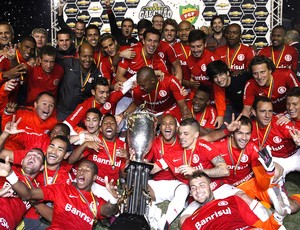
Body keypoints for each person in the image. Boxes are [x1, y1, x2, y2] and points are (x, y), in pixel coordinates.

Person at [0, 158, 120, 230]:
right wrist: (10, 174)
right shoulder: (61, 189)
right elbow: (28, 194)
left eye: (87, 170)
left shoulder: (96, 201)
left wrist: (114, 199)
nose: (82, 172)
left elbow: (108, 211)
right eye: (80, 169)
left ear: (94, 177)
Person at [181, 171, 285, 229]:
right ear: (191, 193)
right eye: (193, 188)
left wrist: (277, 218)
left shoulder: (234, 201)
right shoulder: (190, 222)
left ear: (211, 186)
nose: (198, 190)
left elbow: (262, 226)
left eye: (202, 185)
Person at [68, 113, 128, 201]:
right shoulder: (95, 140)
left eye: (112, 123)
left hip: (109, 189)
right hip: (90, 184)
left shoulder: (123, 146)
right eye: (105, 123)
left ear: (117, 128)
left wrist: (127, 158)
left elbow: (124, 176)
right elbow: (70, 160)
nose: (108, 125)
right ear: (100, 128)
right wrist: (85, 145)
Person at [121, 66, 192, 123]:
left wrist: (187, 122)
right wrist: (122, 115)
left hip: (170, 111)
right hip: (151, 114)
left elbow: (183, 107)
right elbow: (136, 104)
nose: (141, 88)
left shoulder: (169, 82)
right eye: (139, 85)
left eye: (143, 85)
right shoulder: (137, 90)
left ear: (152, 81)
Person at [251, 96, 300, 177]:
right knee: (273, 173)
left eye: (270, 111)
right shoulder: (249, 128)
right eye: (263, 111)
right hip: (276, 160)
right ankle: (279, 185)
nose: (267, 115)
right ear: (254, 112)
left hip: (295, 155)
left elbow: (296, 134)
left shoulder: (280, 122)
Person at [0, 148, 45, 230]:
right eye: (29, 154)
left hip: (7, 224)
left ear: (42, 167)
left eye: (38, 157)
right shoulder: (5, 170)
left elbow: (27, 194)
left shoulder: (38, 188)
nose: (32, 157)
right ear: (22, 161)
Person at [57, 43, 100, 121]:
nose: (87, 60)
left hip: (80, 114)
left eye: (90, 56)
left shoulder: (95, 71)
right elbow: (51, 60)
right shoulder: (67, 63)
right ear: (78, 55)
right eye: (84, 56)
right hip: (62, 113)